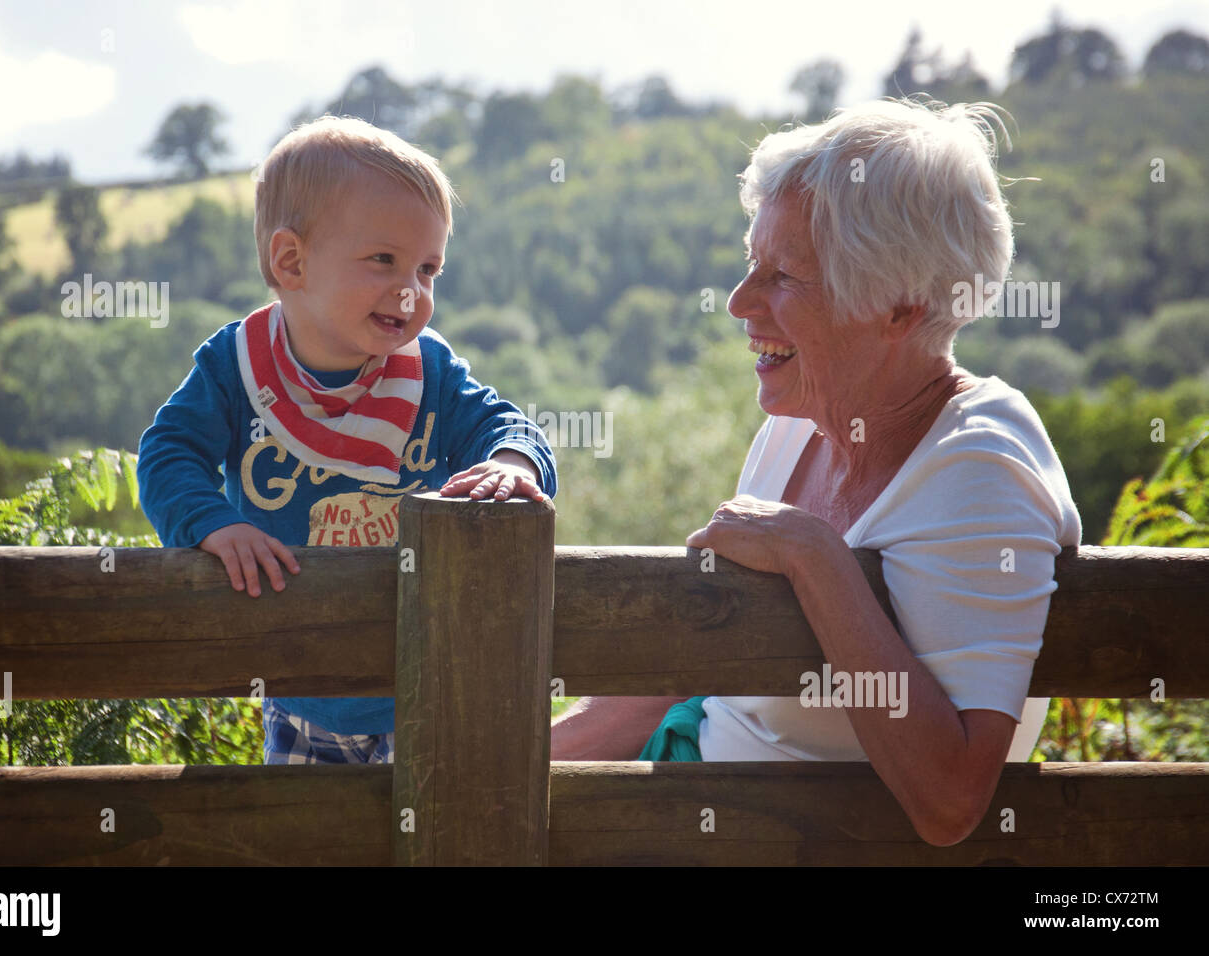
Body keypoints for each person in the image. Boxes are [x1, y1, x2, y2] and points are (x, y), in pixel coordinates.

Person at [551, 99, 1082, 847]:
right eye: (749, 264)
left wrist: (814, 558)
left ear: (900, 307)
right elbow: (696, 679)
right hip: (686, 820)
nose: (740, 302)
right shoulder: (794, 428)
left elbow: (950, 799)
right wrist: (503, 769)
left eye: (784, 278)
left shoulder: (981, 471)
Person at [137, 116, 557, 766]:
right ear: (291, 260)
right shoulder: (235, 368)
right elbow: (168, 454)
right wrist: (213, 523)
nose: (410, 290)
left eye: (428, 269)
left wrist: (508, 463)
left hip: (431, 689)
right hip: (304, 691)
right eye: (383, 260)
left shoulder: (431, 373)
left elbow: (507, 425)